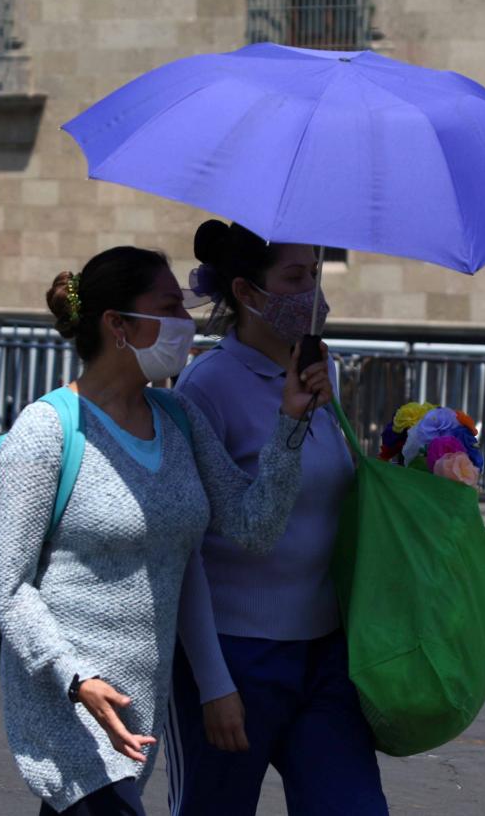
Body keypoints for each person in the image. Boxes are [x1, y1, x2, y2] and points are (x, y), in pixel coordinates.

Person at [0, 246, 332, 816]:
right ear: (117, 325)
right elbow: (11, 587)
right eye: (169, 307)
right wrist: (76, 678)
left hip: (137, 710)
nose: (185, 322)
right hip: (67, 706)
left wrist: (291, 423)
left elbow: (251, 527)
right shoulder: (46, 429)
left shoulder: (177, 417)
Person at [166, 222, 389, 815]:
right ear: (248, 292)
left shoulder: (323, 371)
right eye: (294, 278)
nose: (312, 293)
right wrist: (214, 683)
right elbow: (185, 546)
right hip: (237, 657)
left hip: (325, 656)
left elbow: (335, 488)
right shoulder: (205, 387)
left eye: (315, 274)